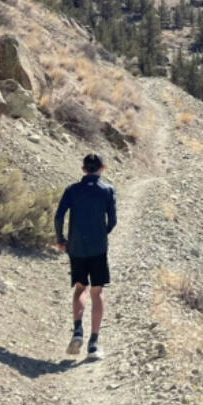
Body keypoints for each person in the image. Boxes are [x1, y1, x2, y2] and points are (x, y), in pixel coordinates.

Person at [54, 153, 117, 359]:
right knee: (97, 292)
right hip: (98, 248)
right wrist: (102, 233)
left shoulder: (72, 190)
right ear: (102, 168)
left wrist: (61, 239)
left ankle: (77, 330)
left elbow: (59, 215)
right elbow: (112, 221)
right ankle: (93, 343)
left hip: (76, 247)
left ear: (83, 169)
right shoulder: (107, 191)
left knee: (80, 287)